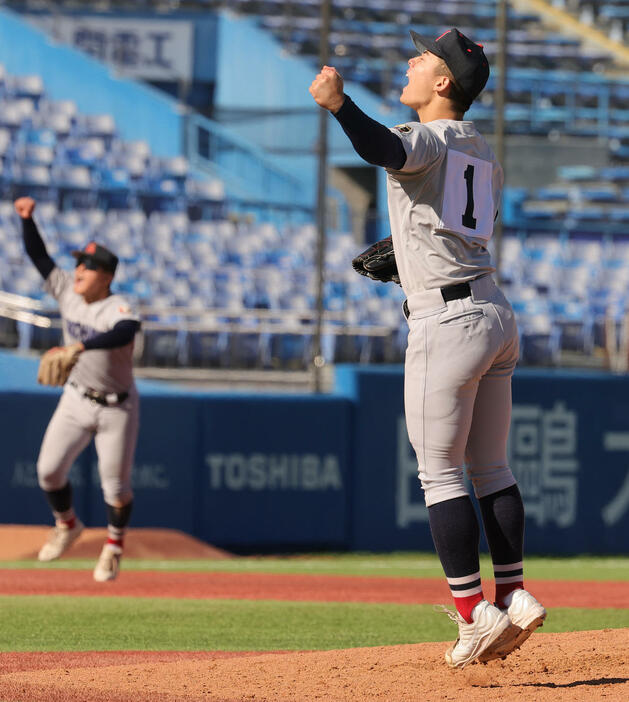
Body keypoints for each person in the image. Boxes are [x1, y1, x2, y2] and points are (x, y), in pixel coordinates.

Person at [310, 28, 546, 668]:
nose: (411, 61)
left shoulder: (430, 137)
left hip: (447, 321)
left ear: (444, 82)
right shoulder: (479, 147)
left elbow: (384, 147)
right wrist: (409, 256)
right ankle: (515, 595)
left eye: (423, 57)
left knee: (439, 473)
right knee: (491, 468)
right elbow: (452, 223)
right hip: (494, 307)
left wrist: (338, 104)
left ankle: (474, 616)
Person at [14, 196, 141, 582]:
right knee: (48, 472)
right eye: (78, 264)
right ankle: (67, 524)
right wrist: (28, 220)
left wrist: (81, 346)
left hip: (116, 408)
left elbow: (126, 331)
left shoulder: (118, 307)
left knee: (115, 490)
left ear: (105, 276)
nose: (79, 269)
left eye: (87, 266)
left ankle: (114, 546)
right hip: (76, 397)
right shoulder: (68, 292)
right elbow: (39, 258)